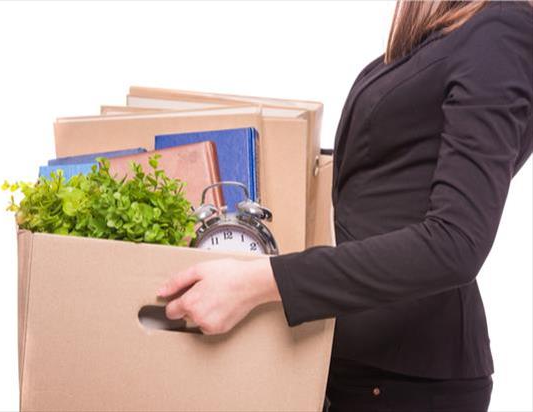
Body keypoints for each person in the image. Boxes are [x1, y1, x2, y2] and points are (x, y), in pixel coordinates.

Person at [156, 1, 533, 411]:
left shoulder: (499, 32)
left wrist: (257, 283)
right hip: (357, 360)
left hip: (405, 377)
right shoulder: (452, 31)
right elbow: (390, 176)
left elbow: (456, 244)